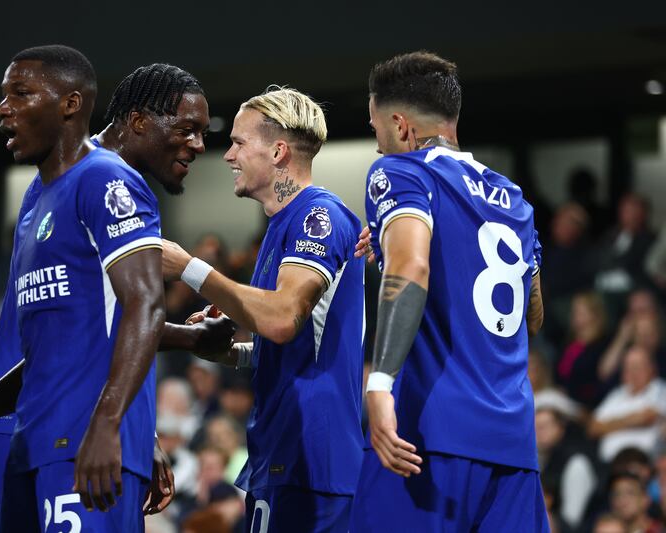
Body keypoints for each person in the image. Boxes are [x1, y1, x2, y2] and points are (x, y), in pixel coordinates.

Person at [0, 46, 230, 532]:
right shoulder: (42, 195)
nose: (3, 109)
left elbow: (137, 308)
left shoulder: (105, 180)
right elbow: (82, 330)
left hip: (73, 441)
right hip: (29, 436)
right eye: (186, 128)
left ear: (69, 105)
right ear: (139, 121)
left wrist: (120, 425)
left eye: (20, 94)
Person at [352, 51, 546, 532]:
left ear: (401, 126)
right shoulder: (514, 199)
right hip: (514, 444)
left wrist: (377, 385)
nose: (378, 148)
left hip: (428, 436)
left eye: (377, 133)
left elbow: (412, 265)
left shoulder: (401, 173)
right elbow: (532, 316)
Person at [162, 87, 365, 532]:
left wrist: (191, 268)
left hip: (313, 459)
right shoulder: (281, 227)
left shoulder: (319, 217)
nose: (228, 154)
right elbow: (297, 344)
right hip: (284, 452)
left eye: (238, 142)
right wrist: (229, 353)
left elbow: (282, 319)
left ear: (277, 151)